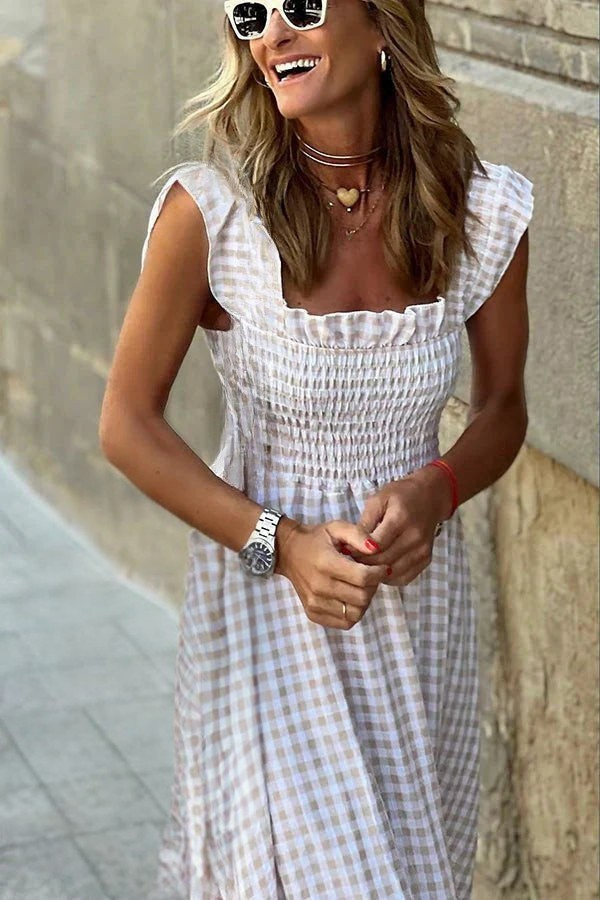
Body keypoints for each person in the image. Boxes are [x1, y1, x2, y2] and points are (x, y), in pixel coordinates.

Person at [99, 0, 534, 897]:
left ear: (381, 24)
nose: (271, 34)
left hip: (416, 613)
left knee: (413, 871)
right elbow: (127, 424)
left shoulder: (481, 210)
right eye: (249, 14)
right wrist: (282, 545)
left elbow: (502, 409)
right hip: (266, 609)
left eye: (299, 6)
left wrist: (438, 488)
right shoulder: (213, 214)